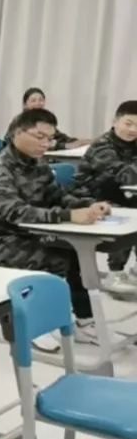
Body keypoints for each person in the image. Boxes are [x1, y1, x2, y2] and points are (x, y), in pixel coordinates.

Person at [0, 108, 112, 342]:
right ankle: (31, 324)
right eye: (39, 137)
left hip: (22, 234)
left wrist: (89, 206)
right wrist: (69, 215)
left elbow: (57, 196)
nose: (46, 144)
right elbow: (17, 213)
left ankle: (84, 320)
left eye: (50, 138)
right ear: (17, 133)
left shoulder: (38, 163)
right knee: (51, 257)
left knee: (73, 252)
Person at [67, 100, 137, 294]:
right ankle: (116, 272)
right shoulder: (102, 146)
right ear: (115, 122)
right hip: (90, 197)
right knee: (125, 211)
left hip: (120, 194)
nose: (133, 130)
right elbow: (126, 176)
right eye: (128, 123)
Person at [22, 88, 92, 150]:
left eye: (41, 100)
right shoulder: (23, 123)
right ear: (25, 105)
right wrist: (64, 146)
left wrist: (83, 142)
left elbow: (62, 138)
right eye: (33, 101)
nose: (38, 103)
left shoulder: (45, 122)